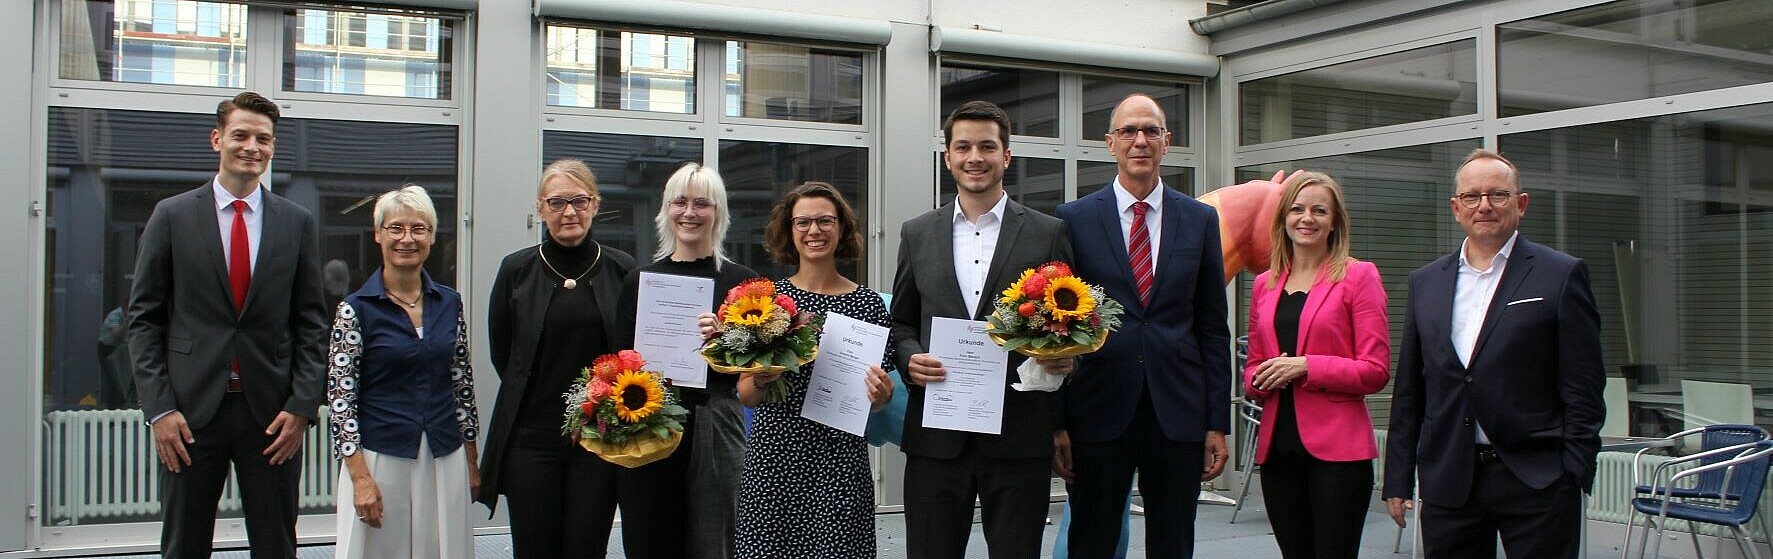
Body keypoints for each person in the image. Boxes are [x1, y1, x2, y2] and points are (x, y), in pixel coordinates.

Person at [126, 91, 327, 558]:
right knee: (184, 545)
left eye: (264, 138)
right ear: (217, 139)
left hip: (272, 417)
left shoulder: (295, 223)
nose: (251, 146)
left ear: (273, 147)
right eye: (240, 135)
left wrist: (301, 407)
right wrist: (159, 410)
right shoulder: (172, 216)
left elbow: (313, 323)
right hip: (189, 416)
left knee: (277, 544)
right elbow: (143, 320)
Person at [1383, 148, 1604, 558]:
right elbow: (1411, 389)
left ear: (1521, 203)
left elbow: (1584, 385)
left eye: (1497, 195)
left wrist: (1574, 471)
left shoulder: (1560, 274)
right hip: (1451, 480)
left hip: (1537, 480)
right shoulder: (1426, 282)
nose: (1484, 206)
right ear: (1456, 208)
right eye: (1472, 196)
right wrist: (1397, 477)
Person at [889, 100, 1075, 558]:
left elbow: (1070, 325)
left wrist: (1062, 364)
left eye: (987, 146)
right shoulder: (917, 233)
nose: (976, 157)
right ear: (948, 157)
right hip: (937, 438)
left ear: (1006, 156)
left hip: (1018, 433)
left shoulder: (1047, 232)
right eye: (964, 146)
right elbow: (901, 321)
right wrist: (909, 358)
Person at [1052, 93, 1231, 559]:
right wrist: (1058, 424)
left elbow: (1213, 327)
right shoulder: (1072, 220)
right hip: (1097, 410)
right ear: (1109, 142)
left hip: (1178, 413)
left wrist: (1217, 422)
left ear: (1167, 142)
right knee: (1090, 541)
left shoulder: (1200, 220)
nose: (1140, 140)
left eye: (1151, 130)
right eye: (1129, 131)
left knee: (1173, 542)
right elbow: (1057, 330)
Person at [476, 159, 645, 557]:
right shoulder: (516, 270)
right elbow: (504, 354)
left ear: (595, 205)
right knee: (534, 549)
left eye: (579, 200)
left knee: (587, 548)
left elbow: (636, 354)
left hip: (600, 442)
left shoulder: (624, 270)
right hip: (531, 441)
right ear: (540, 209)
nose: (569, 211)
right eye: (556, 202)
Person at [728, 182, 895, 558]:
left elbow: (877, 401)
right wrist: (760, 377)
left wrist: (882, 396)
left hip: (839, 461)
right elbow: (746, 393)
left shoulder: (869, 303)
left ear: (842, 229)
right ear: (788, 230)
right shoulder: (766, 300)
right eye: (802, 222)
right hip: (775, 458)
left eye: (824, 221)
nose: (813, 231)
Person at [616, 162, 761, 559]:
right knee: (650, 535)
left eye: (702, 203)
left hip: (715, 422)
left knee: (714, 542)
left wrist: (723, 341)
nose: (690, 213)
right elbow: (621, 360)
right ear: (666, 209)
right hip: (650, 420)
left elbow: (757, 371)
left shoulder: (742, 283)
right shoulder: (641, 279)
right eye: (680, 202)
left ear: (719, 212)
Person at [1241, 172, 1390, 559]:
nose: (1307, 218)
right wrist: (1258, 379)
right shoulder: (1264, 285)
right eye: (1297, 209)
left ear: (1334, 220)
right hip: (1278, 451)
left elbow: (1375, 370)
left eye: (1319, 210)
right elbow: (1253, 367)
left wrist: (1308, 366)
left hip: (1339, 455)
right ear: (1283, 219)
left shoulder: (1359, 277)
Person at [326, 185, 479, 558]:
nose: (407, 239)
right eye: (396, 228)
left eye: (419, 228)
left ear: (431, 236)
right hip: (381, 457)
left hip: (444, 455)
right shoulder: (355, 309)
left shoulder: (449, 302)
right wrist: (360, 478)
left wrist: (472, 463)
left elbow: (462, 383)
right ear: (378, 235)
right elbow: (340, 399)